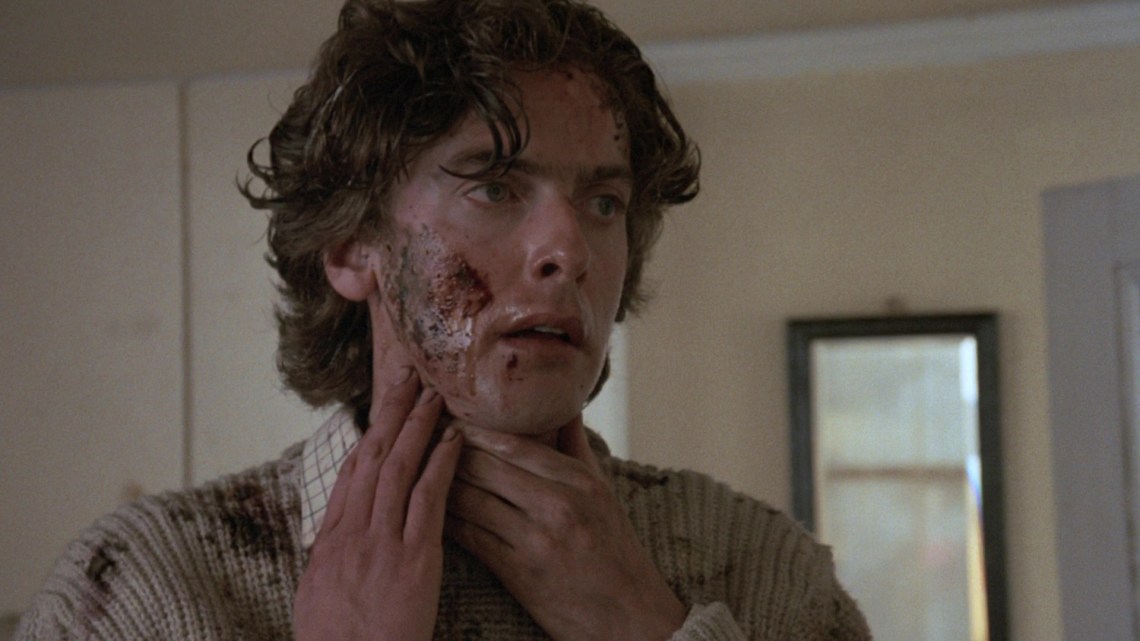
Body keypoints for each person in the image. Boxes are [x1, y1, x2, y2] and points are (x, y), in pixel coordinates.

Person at [17, 1, 871, 639]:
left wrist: (651, 629)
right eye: (495, 186)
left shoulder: (761, 571)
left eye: (604, 201)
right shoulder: (140, 589)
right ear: (351, 244)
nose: (569, 250)